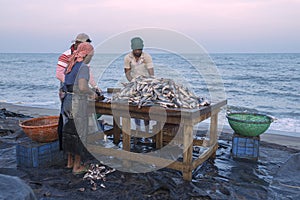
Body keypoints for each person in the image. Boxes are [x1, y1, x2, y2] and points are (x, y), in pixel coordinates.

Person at [56, 33, 101, 151]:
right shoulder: (66, 56)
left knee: (69, 127)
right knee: (75, 127)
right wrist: (90, 92)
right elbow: (60, 75)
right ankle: (76, 162)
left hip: (69, 97)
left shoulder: (77, 61)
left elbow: (86, 75)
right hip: (72, 95)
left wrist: (95, 86)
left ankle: (69, 158)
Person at [61, 42, 98, 174]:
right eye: (91, 55)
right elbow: (82, 87)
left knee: (68, 132)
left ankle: (69, 163)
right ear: (86, 54)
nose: (91, 58)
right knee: (79, 133)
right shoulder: (83, 67)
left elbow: (65, 85)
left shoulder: (70, 65)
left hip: (67, 100)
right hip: (77, 101)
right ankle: (77, 166)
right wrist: (91, 93)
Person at [124, 37, 154, 142]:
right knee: (135, 108)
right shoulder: (127, 58)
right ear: (132, 49)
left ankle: (146, 132)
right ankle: (137, 130)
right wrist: (132, 82)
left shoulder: (147, 57)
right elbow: (127, 73)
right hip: (134, 85)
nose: (138, 52)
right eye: (137, 50)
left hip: (146, 85)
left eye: (140, 50)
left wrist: (150, 82)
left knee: (146, 109)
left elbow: (151, 72)